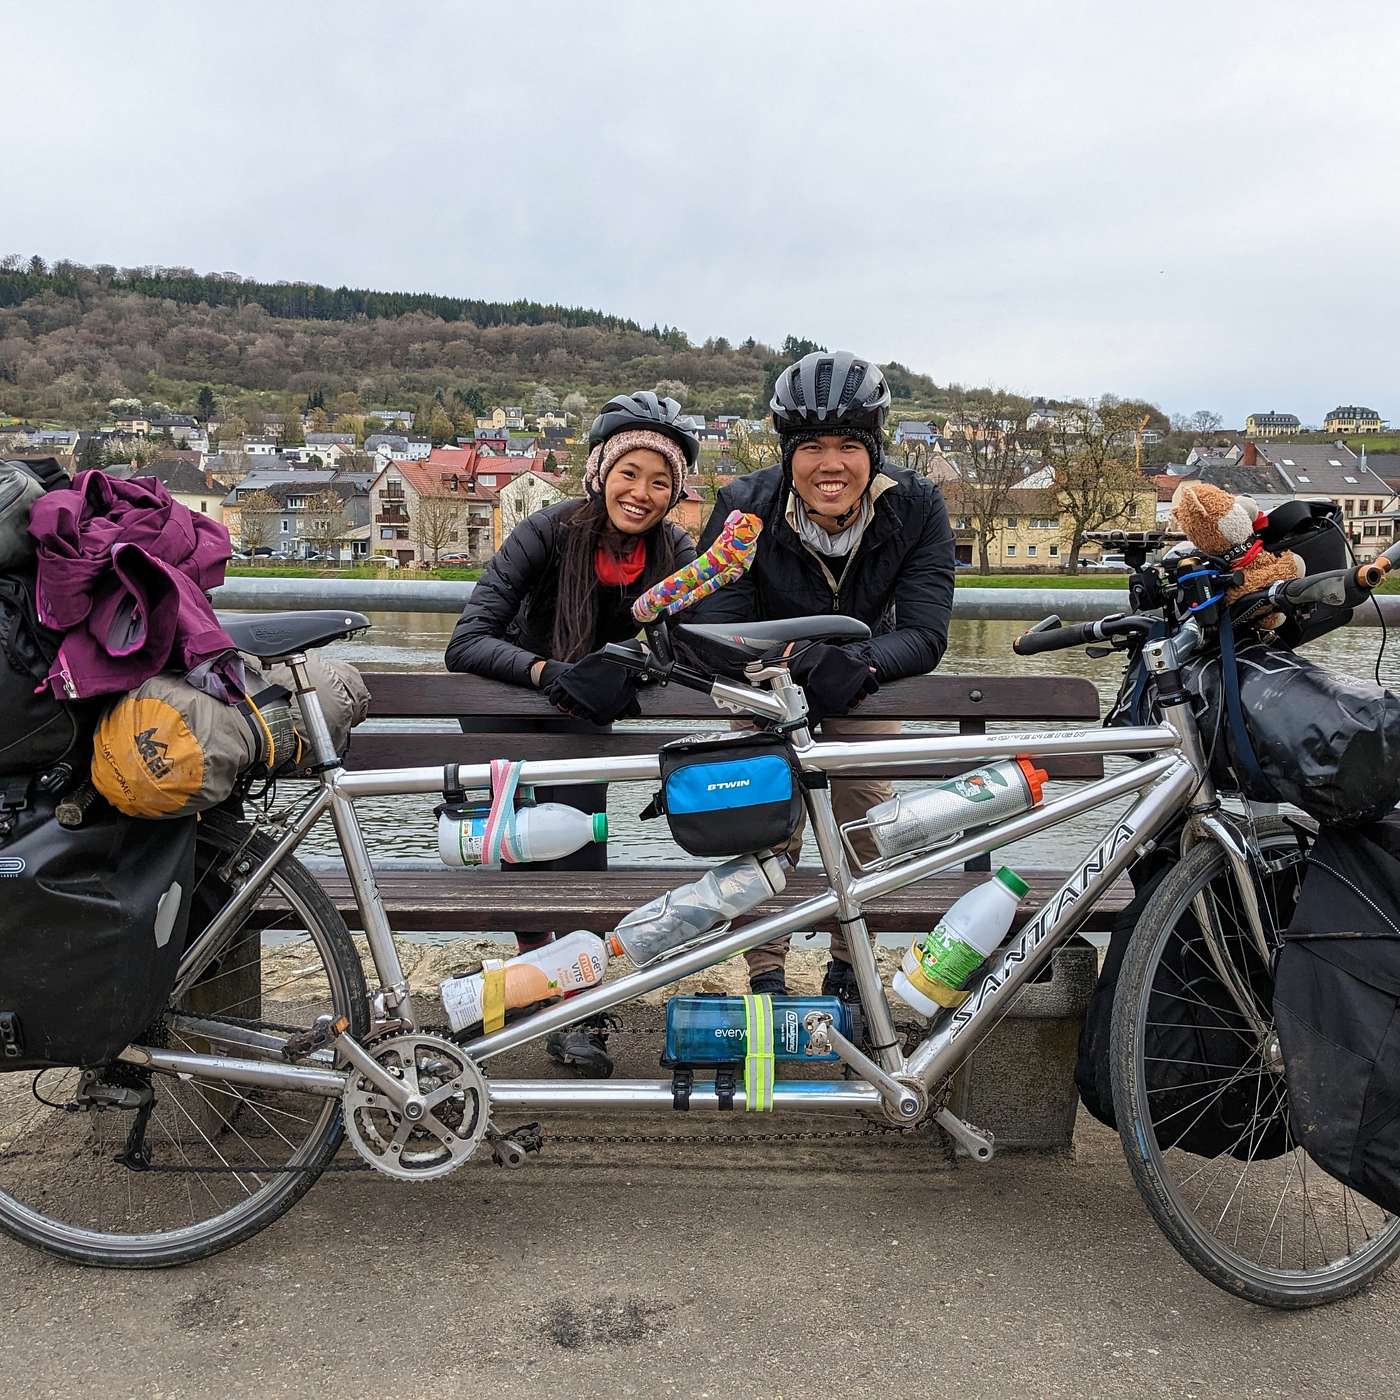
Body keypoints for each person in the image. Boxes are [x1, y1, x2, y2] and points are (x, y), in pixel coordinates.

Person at [687, 350, 956, 999]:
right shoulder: (744, 506)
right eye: (810, 446)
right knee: (766, 819)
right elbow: (715, 627)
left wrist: (861, 661)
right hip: (765, 683)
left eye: (847, 445)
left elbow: (925, 631)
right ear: (787, 451)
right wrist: (788, 665)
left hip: (857, 679)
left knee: (866, 814)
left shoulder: (915, 507)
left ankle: (846, 958)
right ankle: (767, 973)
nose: (829, 464)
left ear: (874, 447)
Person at [445, 392, 699, 1073]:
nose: (641, 493)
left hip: (585, 712)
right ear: (600, 473)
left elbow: (687, 649)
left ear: (674, 495)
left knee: (585, 850)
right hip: (509, 699)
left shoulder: (674, 551)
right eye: (629, 474)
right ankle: (544, 986)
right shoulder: (547, 532)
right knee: (522, 851)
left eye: (660, 482)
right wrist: (547, 671)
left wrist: (637, 668)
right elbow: (466, 640)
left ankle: (581, 1007)